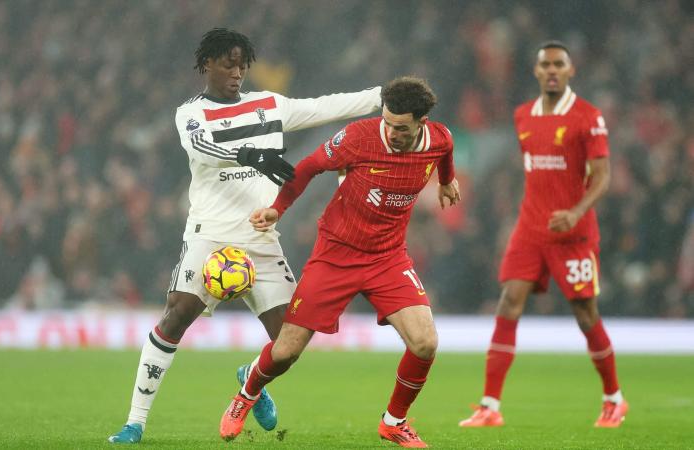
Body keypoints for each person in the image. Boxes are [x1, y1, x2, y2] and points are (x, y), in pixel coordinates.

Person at [108, 28, 383, 444]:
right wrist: (249, 154)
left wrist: (383, 96)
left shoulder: (268, 106)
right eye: (228, 63)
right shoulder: (191, 113)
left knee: (292, 338)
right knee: (176, 316)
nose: (237, 72)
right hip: (210, 236)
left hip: (260, 236)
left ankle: (250, 380)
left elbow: (325, 107)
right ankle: (135, 422)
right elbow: (201, 147)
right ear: (207, 65)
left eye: (242, 64)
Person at [219, 77, 460, 448]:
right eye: (388, 123)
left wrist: (447, 181)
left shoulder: (439, 138)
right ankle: (246, 393)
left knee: (425, 343)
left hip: (388, 257)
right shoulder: (359, 137)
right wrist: (277, 209)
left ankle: (394, 422)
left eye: (401, 128)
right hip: (336, 254)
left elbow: (445, 153)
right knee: (285, 352)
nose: (392, 132)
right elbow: (308, 167)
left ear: (421, 123)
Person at [459, 41, 628, 428]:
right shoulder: (523, 116)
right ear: (536, 72)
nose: (552, 70)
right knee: (508, 303)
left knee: (585, 314)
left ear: (571, 71)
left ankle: (614, 398)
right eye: (545, 65)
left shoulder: (588, 116)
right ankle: (490, 405)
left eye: (559, 64)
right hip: (530, 228)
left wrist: (576, 211)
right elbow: (539, 175)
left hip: (574, 233)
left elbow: (602, 178)